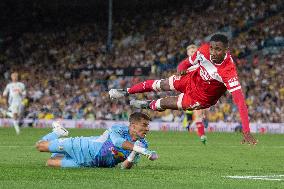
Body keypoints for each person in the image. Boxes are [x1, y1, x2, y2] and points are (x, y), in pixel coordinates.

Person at [109, 34, 257, 145]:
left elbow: (240, 102)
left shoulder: (229, 71)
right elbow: (185, 63)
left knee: (166, 102)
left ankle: (147, 104)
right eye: (212, 48)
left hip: (201, 98)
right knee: (161, 84)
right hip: (191, 78)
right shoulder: (204, 50)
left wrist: (246, 130)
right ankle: (126, 91)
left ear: (226, 50)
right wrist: (181, 69)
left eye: (218, 49)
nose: (213, 52)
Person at [35, 112, 158, 168]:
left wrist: (134, 153)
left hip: (90, 164)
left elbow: (125, 166)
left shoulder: (143, 144)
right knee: (40, 146)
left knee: (50, 163)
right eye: (144, 125)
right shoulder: (119, 129)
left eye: (148, 125)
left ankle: (59, 149)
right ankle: (57, 132)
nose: (147, 128)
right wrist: (139, 149)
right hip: (83, 147)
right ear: (133, 125)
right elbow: (117, 142)